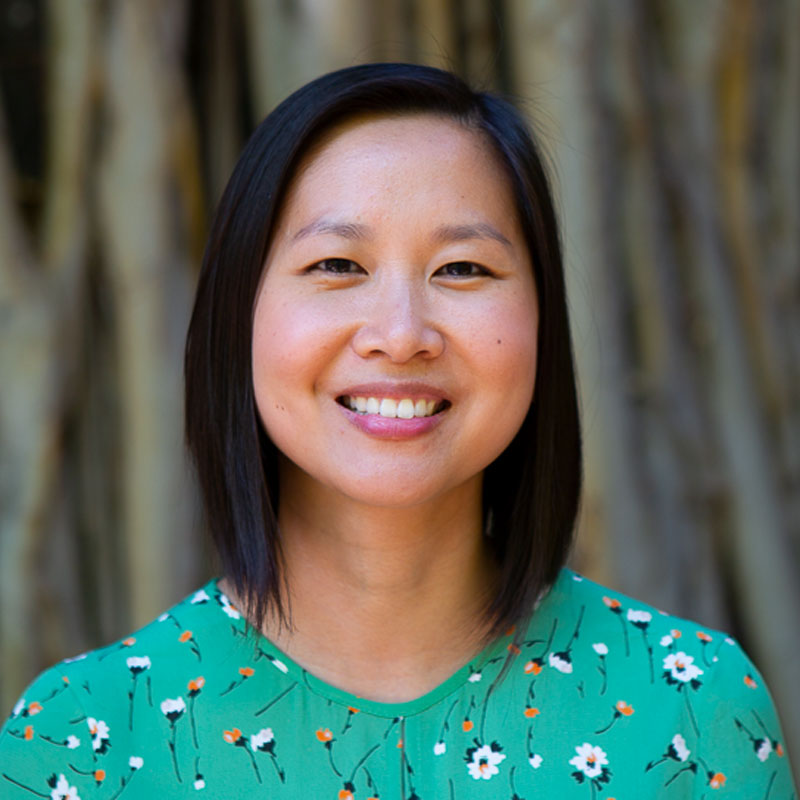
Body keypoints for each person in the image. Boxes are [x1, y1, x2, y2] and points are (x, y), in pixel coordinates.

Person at [0, 63, 794, 799]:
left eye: (463, 270)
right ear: (236, 318)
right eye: (337, 266)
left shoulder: (690, 713)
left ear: (542, 323)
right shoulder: (83, 741)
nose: (401, 332)